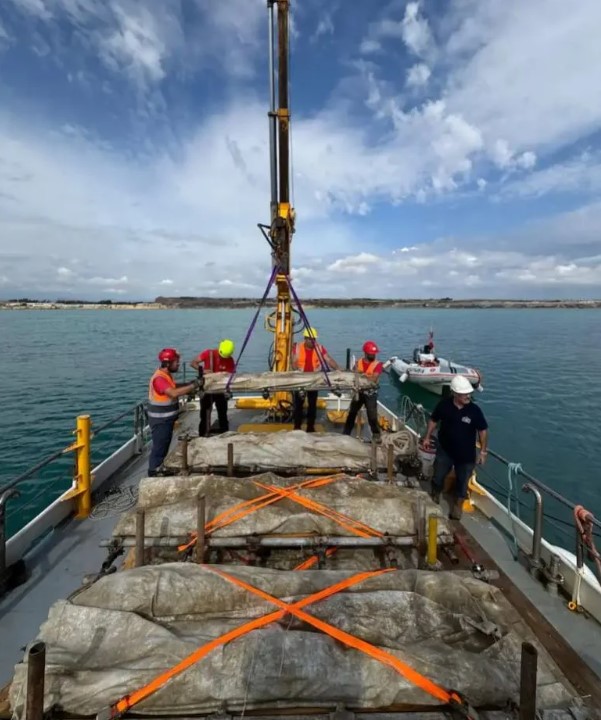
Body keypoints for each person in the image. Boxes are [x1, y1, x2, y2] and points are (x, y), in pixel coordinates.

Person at [421, 375, 488, 520]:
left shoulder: (475, 411)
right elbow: (433, 420)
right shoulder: (444, 405)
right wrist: (427, 437)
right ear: (455, 394)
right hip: (445, 451)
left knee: (463, 483)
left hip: (466, 456)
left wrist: (482, 452)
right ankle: (435, 495)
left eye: (469, 393)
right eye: (464, 393)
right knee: (438, 476)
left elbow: (482, 430)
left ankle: (457, 507)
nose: (468, 396)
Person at [147, 348, 199, 476]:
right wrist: (193, 386)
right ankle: (154, 473)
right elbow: (173, 393)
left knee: (163, 446)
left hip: (166, 419)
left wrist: (189, 384)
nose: (178, 364)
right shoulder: (159, 379)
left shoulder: (165, 375)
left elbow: (174, 387)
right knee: (160, 448)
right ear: (168, 363)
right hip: (160, 420)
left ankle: (159, 469)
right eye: (176, 361)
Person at [291, 327, 339, 432]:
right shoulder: (298, 348)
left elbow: (329, 359)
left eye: (314, 339)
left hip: (314, 380)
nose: (313, 341)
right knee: (298, 405)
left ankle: (310, 427)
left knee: (312, 405)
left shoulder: (319, 348)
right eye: (311, 339)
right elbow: (294, 362)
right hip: (301, 380)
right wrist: (296, 371)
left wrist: (338, 369)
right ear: (305, 338)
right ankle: (297, 427)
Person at [190, 339, 236, 436]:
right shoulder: (208, 353)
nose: (224, 358)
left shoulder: (230, 360)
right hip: (207, 389)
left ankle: (224, 433)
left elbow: (231, 376)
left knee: (223, 413)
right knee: (205, 414)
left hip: (220, 390)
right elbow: (193, 363)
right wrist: (202, 370)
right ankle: (203, 435)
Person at [342, 340, 383, 441]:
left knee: (372, 416)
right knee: (352, 413)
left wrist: (362, 376)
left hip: (370, 394)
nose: (373, 355)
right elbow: (353, 375)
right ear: (365, 353)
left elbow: (374, 379)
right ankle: (346, 434)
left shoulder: (378, 365)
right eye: (371, 354)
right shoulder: (357, 363)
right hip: (359, 392)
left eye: (374, 354)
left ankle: (376, 434)